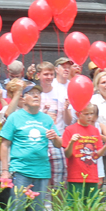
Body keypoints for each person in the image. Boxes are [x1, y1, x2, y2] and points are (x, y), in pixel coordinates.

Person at [0, 83, 62, 211]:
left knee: (37, 210)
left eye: (38, 94)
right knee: (17, 207)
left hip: (41, 170)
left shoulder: (46, 119)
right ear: (23, 98)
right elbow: (4, 144)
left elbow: (59, 144)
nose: (36, 96)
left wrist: (54, 137)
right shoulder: (15, 117)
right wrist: (5, 170)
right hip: (20, 169)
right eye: (32, 93)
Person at [62, 103, 106, 203]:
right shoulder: (70, 130)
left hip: (92, 175)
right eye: (86, 114)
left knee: (91, 206)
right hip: (75, 176)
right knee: (74, 205)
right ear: (78, 114)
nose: (90, 117)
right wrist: (72, 142)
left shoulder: (95, 130)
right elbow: (67, 154)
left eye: (91, 114)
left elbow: (97, 155)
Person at [37, 62, 67, 192]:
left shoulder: (61, 92)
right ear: (38, 76)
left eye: (51, 74)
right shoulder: (34, 93)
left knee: (58, 182)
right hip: (39, 140)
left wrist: (66, 110)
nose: (49, 77)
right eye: (45, 74)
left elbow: (67, 120)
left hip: (57, 137)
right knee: (40, 179)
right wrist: (42, 114)